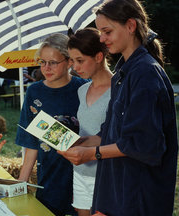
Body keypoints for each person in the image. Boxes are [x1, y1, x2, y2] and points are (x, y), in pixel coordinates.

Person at [58, 0, 178, 215]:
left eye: (107, 31)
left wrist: (90, 154)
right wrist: (80, 143)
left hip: (138, 194)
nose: (102, 39)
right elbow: (110, 132)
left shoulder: (145, 73)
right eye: (100, 32)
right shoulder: (124, 73)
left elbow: (143, 144)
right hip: (118, 190)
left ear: (130, 26)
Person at [16, 33, 87, 216]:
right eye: (42, 62)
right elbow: (31, 143)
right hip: (49, 177)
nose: (46, 68)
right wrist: (22, 182)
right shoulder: (34, 91)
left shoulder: (85, 88)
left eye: (53, 62)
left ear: (70, 61)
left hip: (84, 175)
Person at [67, 27, 112, 216]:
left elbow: (120, 135)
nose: (74, 67)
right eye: (71, 60)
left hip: (107, 174)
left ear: (99, 56)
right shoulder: (82, 90)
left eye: (80, 61)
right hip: (80, 171)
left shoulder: (121, 89)